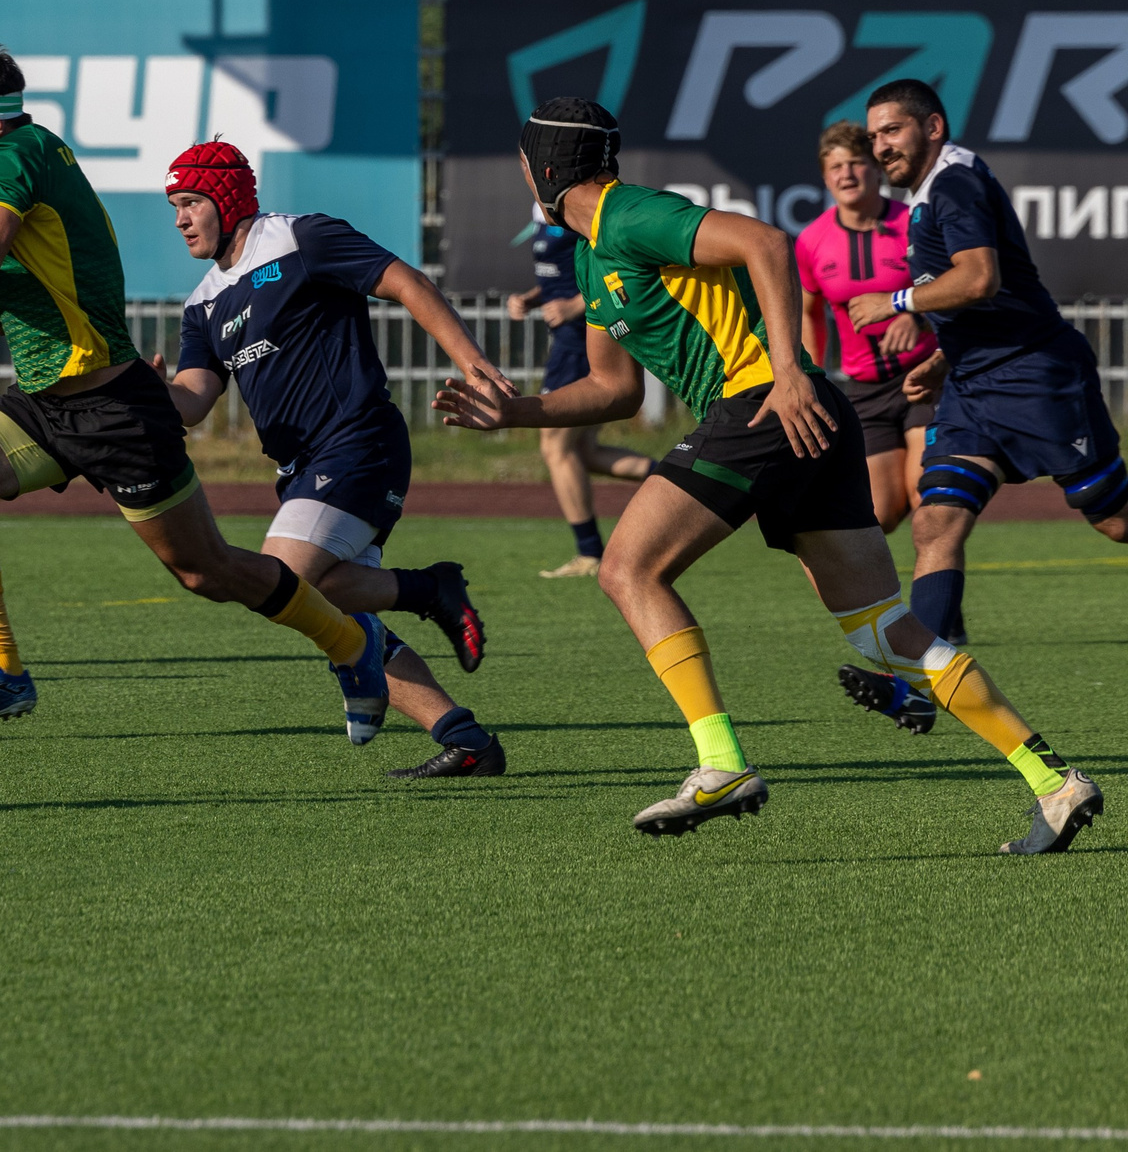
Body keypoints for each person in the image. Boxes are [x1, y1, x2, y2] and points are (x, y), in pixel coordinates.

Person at [435, 97, 1098, 852]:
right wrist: (516, 412)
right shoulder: (592, 255)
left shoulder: (630, 215)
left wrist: (785, 372)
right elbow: (613, 389)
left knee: (627, 569)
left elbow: (766, 243)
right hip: (801, 415)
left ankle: (721, 764)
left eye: (524, 162)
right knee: (883, 632)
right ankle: (1053, 780)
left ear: (545, 169)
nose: (523, 174)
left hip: (764, 406)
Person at [0, 46, 456, 738]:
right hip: (47, 400)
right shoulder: (33, 164)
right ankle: (2, 671)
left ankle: (353, 643)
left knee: (208, 571)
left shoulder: (10, 156)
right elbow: (24, 279)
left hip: (114, 408)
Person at [155, 142, 505, 777]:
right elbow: (193, 400)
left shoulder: (300, 239)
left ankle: (430, 589)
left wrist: (473, 364)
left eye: (190, 203)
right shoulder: (202, 304)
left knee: (284, 577)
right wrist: (150, 394)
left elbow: (407, 282)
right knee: (335, 611)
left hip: (359, 441)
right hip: (299, 470)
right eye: (174, 207)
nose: (179, 220)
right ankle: (467, 740)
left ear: (227, 200)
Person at [848, 80, 1128, 653]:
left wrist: (894, 302)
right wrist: (943, 359)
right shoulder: (930, 190)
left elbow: (980, 279)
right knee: (936, 521)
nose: (880, 147)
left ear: (933, 127)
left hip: (1036, 376)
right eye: (873, 136)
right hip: (973, 386)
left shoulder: (955, 183)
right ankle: (925, 677)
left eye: (892, 130)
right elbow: (980, 302)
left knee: (1114, 519)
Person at [795, 120, 937, 540]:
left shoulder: (915, 223)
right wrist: (812, 381)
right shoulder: (811, 241)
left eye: (856, 163)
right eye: (835, 167)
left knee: (928, 496)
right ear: (825, 178)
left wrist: (917, 315)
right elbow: (808, 316)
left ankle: (936, 579)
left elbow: (956, 287)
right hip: (865, 391)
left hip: (925, 378)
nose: (847, 174)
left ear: (877, 168)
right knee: (880, 514)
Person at [508, 205, 653, 576]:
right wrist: (532, 299)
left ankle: (590, 554)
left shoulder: (576, 209)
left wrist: (573, 307)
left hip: (581, 343)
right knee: (584, 452)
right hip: (569, 342)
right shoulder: (543, 212)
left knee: (555, 446)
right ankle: (684, 477)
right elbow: (563, 276)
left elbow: (615, 270)